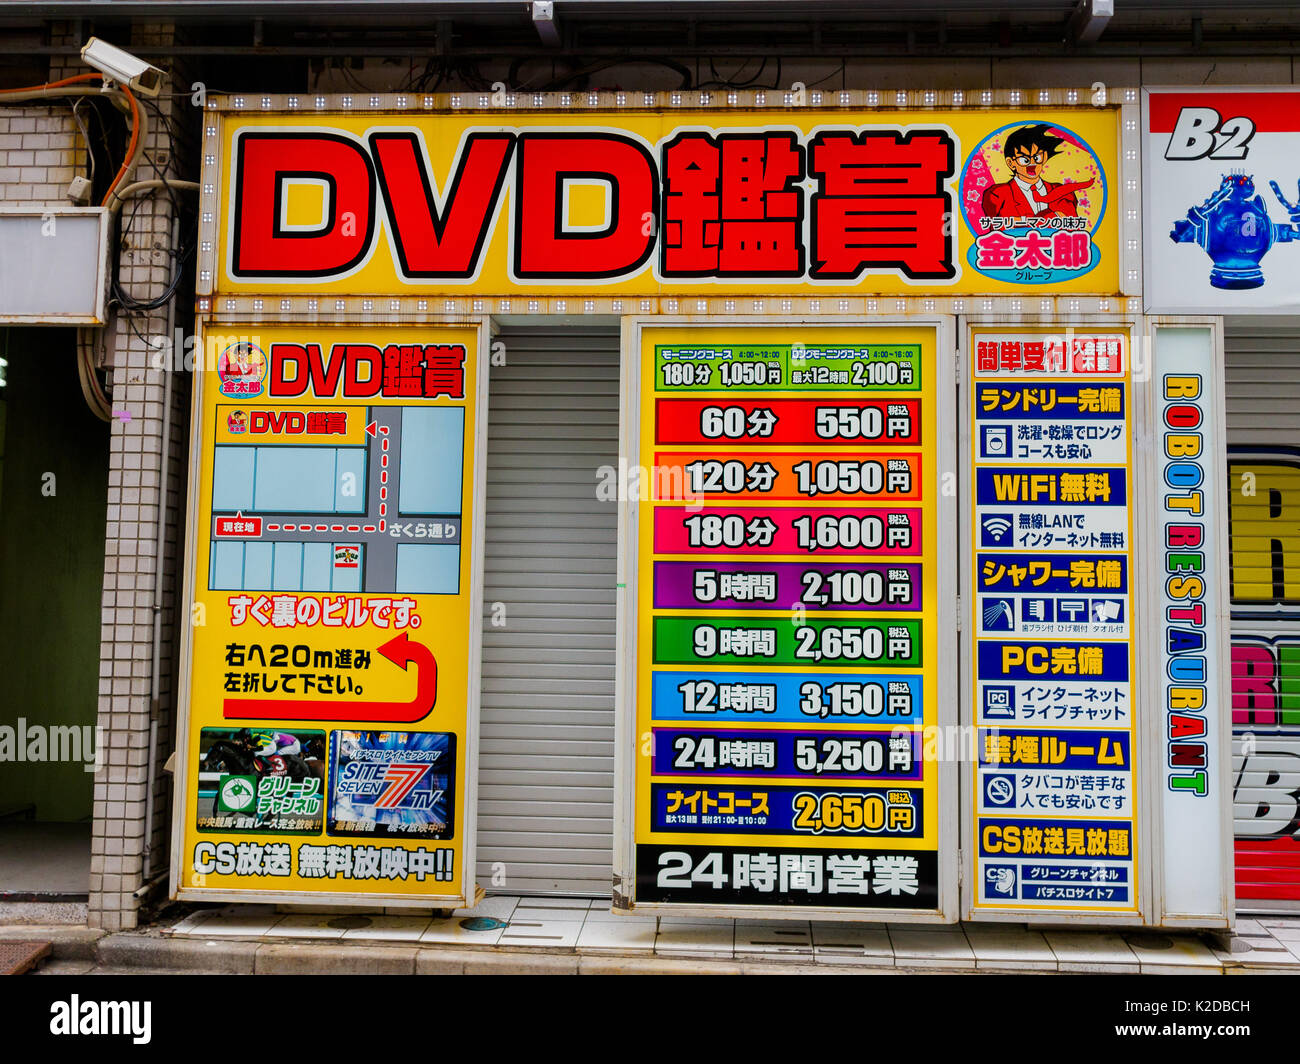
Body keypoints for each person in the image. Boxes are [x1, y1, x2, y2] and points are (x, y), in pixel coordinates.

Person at [981, 123, 1094, 221]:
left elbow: (1072, 227)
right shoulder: (998, 194)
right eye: (1024, 160)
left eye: (1036, 158)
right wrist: (1049, 217)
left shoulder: (1062, 193)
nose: (1032, 164)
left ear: (1044, 157)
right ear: (1011, 163)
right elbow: (999, 229)